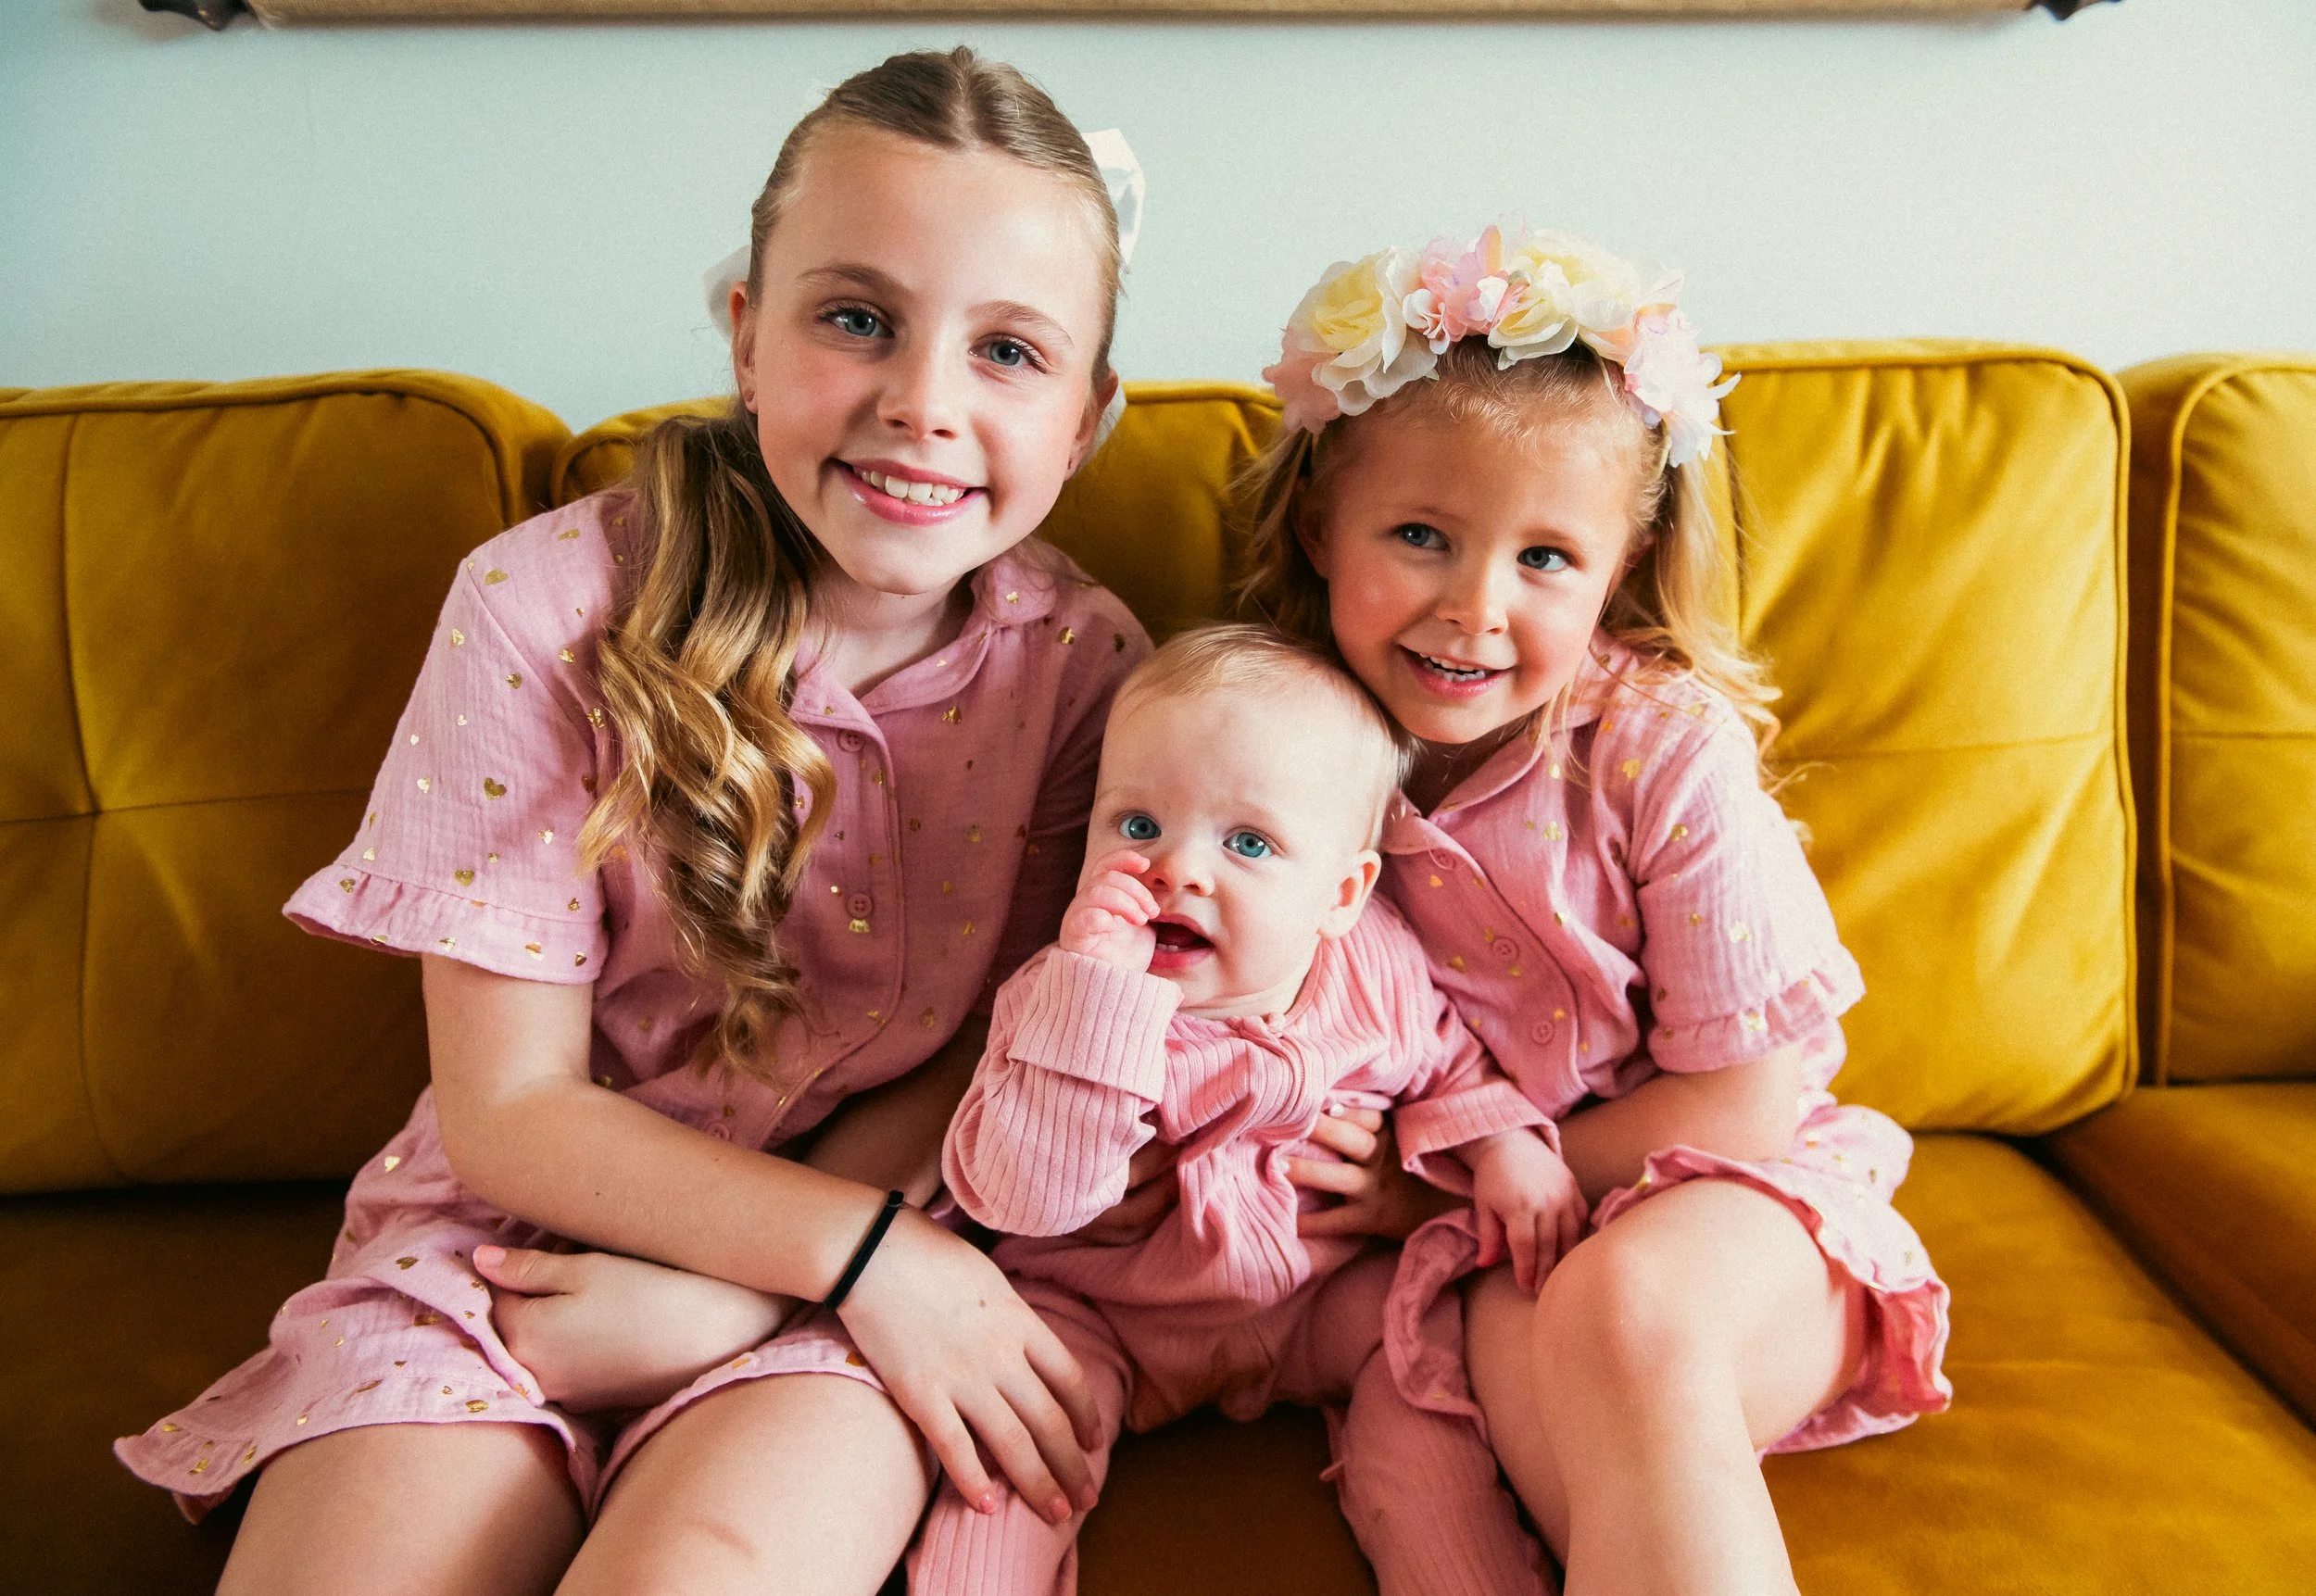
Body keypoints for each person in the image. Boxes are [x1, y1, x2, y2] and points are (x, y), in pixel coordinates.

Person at [117, 47, 1151, 1596]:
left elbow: (984, 1050)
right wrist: (838, 1256)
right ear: (747, 333)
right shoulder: (547, 606)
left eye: (1009, 350)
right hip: (505, 1251)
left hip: (864, 1281)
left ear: (1087, 417)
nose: (921, 402)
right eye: (855, 317)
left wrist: (770, 1291)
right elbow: (512, 1108)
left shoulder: (1086, 670)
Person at [1238, 227, 1955, 1595]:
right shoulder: (1275, 744)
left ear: (1620, 567)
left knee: (1624, 1309)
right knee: (1538, 1362)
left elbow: (1743, 1104)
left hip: (1745, 1217)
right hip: (1503, 1250)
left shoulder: (1657, 745)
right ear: (1325, 525)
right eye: (1421, 536)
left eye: (1546, 559)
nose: (1474, 607)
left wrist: (1446, 1173)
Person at [916, 623, 1578, 1596]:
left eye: (1249, 842)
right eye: (1136, 826)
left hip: (1318, 1293)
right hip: (1105, 1306)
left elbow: (1451, 1059)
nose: (1178, 869)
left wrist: (1506, 1144)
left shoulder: (1376, 968)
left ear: (1342, 893)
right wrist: (1093, 997)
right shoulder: (1063, 995)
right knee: (1011, 1458)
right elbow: (1018, 1193)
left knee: (1423, 1391)